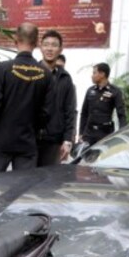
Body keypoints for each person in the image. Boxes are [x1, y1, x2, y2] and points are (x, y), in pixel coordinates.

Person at [0, 22, 52, 175]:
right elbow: (46, 113)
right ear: (36, 43)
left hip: (0, 140)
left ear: (15, 41)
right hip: (27, 141)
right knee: (23, 191)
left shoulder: (1, 69)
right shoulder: (46, 74)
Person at [37, 29, 76, 166]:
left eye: (54, 45)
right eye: (46, 44)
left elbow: (69, 110)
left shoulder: (65, 78)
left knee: (48, 181)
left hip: (54, 140)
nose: (49, 48)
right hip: (31, 139)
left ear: (60, 49)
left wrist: (68, 139)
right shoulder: (32, 73)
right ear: (40, 47)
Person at [79, 62, 126, 145]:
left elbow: (121, 115)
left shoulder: (115, 91)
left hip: (105, 133)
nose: (92, 76)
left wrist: (122, 133)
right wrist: (81, 133)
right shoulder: (90, 90)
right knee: (84, 156)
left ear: (102, 74)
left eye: (94, 73)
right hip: (89, 133)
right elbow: (84, 113)